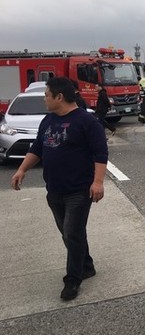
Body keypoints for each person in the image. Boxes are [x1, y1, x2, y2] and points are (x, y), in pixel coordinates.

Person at [10, 77, 108, 301]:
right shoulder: (48, 120)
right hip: (54, 190)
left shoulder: (86, 121)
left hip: (79, 190)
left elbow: (100, 153)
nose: (44, 99)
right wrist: (22, 170)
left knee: (72, 233)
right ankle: (86, 264)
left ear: (59, 97)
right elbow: (37, 148)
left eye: (46, 95)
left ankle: (73, 280)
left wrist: (98, 182)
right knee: (69, 233)